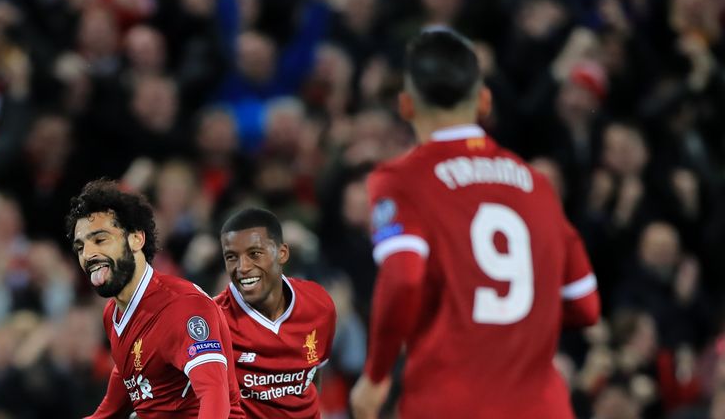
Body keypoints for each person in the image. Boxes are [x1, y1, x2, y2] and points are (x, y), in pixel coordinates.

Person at [350, 30, 601, 419]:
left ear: (406, 106)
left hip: (450, 401)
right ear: (484, 101)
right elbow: (585, 305)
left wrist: (376, 376)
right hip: (541, 407)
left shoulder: (401, 179)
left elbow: (403, 279)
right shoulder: (535, 183)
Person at [66, 179, 245, 419]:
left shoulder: (183, 307)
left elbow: (214, 395)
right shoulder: (113, 314)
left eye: (100, 240)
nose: (88, 255)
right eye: (80, 247)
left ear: (136, 239)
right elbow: (121, 391)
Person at [214, 208, 336, 418]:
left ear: (282, 253)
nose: (242, 267)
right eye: (232, 257)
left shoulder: (319, 305)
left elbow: (314, 375)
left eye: (254, 254)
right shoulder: (214, 320)